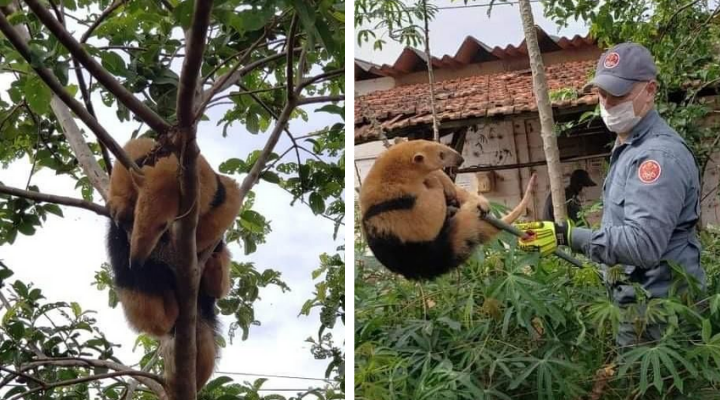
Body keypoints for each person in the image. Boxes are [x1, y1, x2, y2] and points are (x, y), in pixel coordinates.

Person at [518, 43, 704, 347]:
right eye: (602, 94)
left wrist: (565, 236)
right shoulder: (628, 147)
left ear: (650, 90)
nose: (607, 103)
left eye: (618, 94)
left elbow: (643, 245)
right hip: (633, 312)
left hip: (662, 323)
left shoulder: (657, 157)